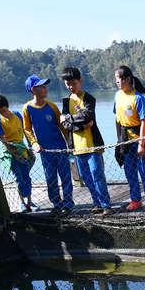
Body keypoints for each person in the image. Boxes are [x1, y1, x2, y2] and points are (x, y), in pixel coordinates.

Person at [60, 67, 112, 214]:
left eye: (73, 83)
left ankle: (106, 204)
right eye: (68, 84)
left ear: (80, 81)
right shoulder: (66, 101)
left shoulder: (89, 98)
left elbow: (87, 116)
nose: (71, 87)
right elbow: (65, 124)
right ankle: (96, 202)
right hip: (77, 146)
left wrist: (69, 118)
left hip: (92, 145)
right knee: (85, 176)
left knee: (97, 173)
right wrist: (81, 126)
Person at [21, 74, 74, 210]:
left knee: (66, 177)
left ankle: (68, 203)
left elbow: (62, 126)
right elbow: (27, 129)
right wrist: (34, 143)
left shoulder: (52, 106)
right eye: (42, 87)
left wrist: (70, 144)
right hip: (44, 151)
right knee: (51, 179)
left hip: (60, 148)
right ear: (33, 90)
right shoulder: (27, 108)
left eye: (45, 86)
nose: (45, 89)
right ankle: (57, 203)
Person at [114, 65, 145, 212]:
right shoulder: (117, 96)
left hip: (139, 141)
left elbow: (144, 122)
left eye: (118, 79)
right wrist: (119, 140)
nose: (117, 82)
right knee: (130, 172)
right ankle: (135, 200)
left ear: (127, 79)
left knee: (144, 171)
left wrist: (141, 144)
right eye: (116, 80)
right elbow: (117, 119)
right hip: (125, 142)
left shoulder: (138, 98)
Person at [0, 93, 36, 212]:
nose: (3, 112)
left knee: (26, 176)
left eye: (4, 109)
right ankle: (22, 203)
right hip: (9, 152)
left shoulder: (17, 115)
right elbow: (2, 139)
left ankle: (30, 202)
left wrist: (30, 148)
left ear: (7, 105)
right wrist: (14, 155)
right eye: (0, 111)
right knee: (18, 178)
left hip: (22, 148)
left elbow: (25, 131)